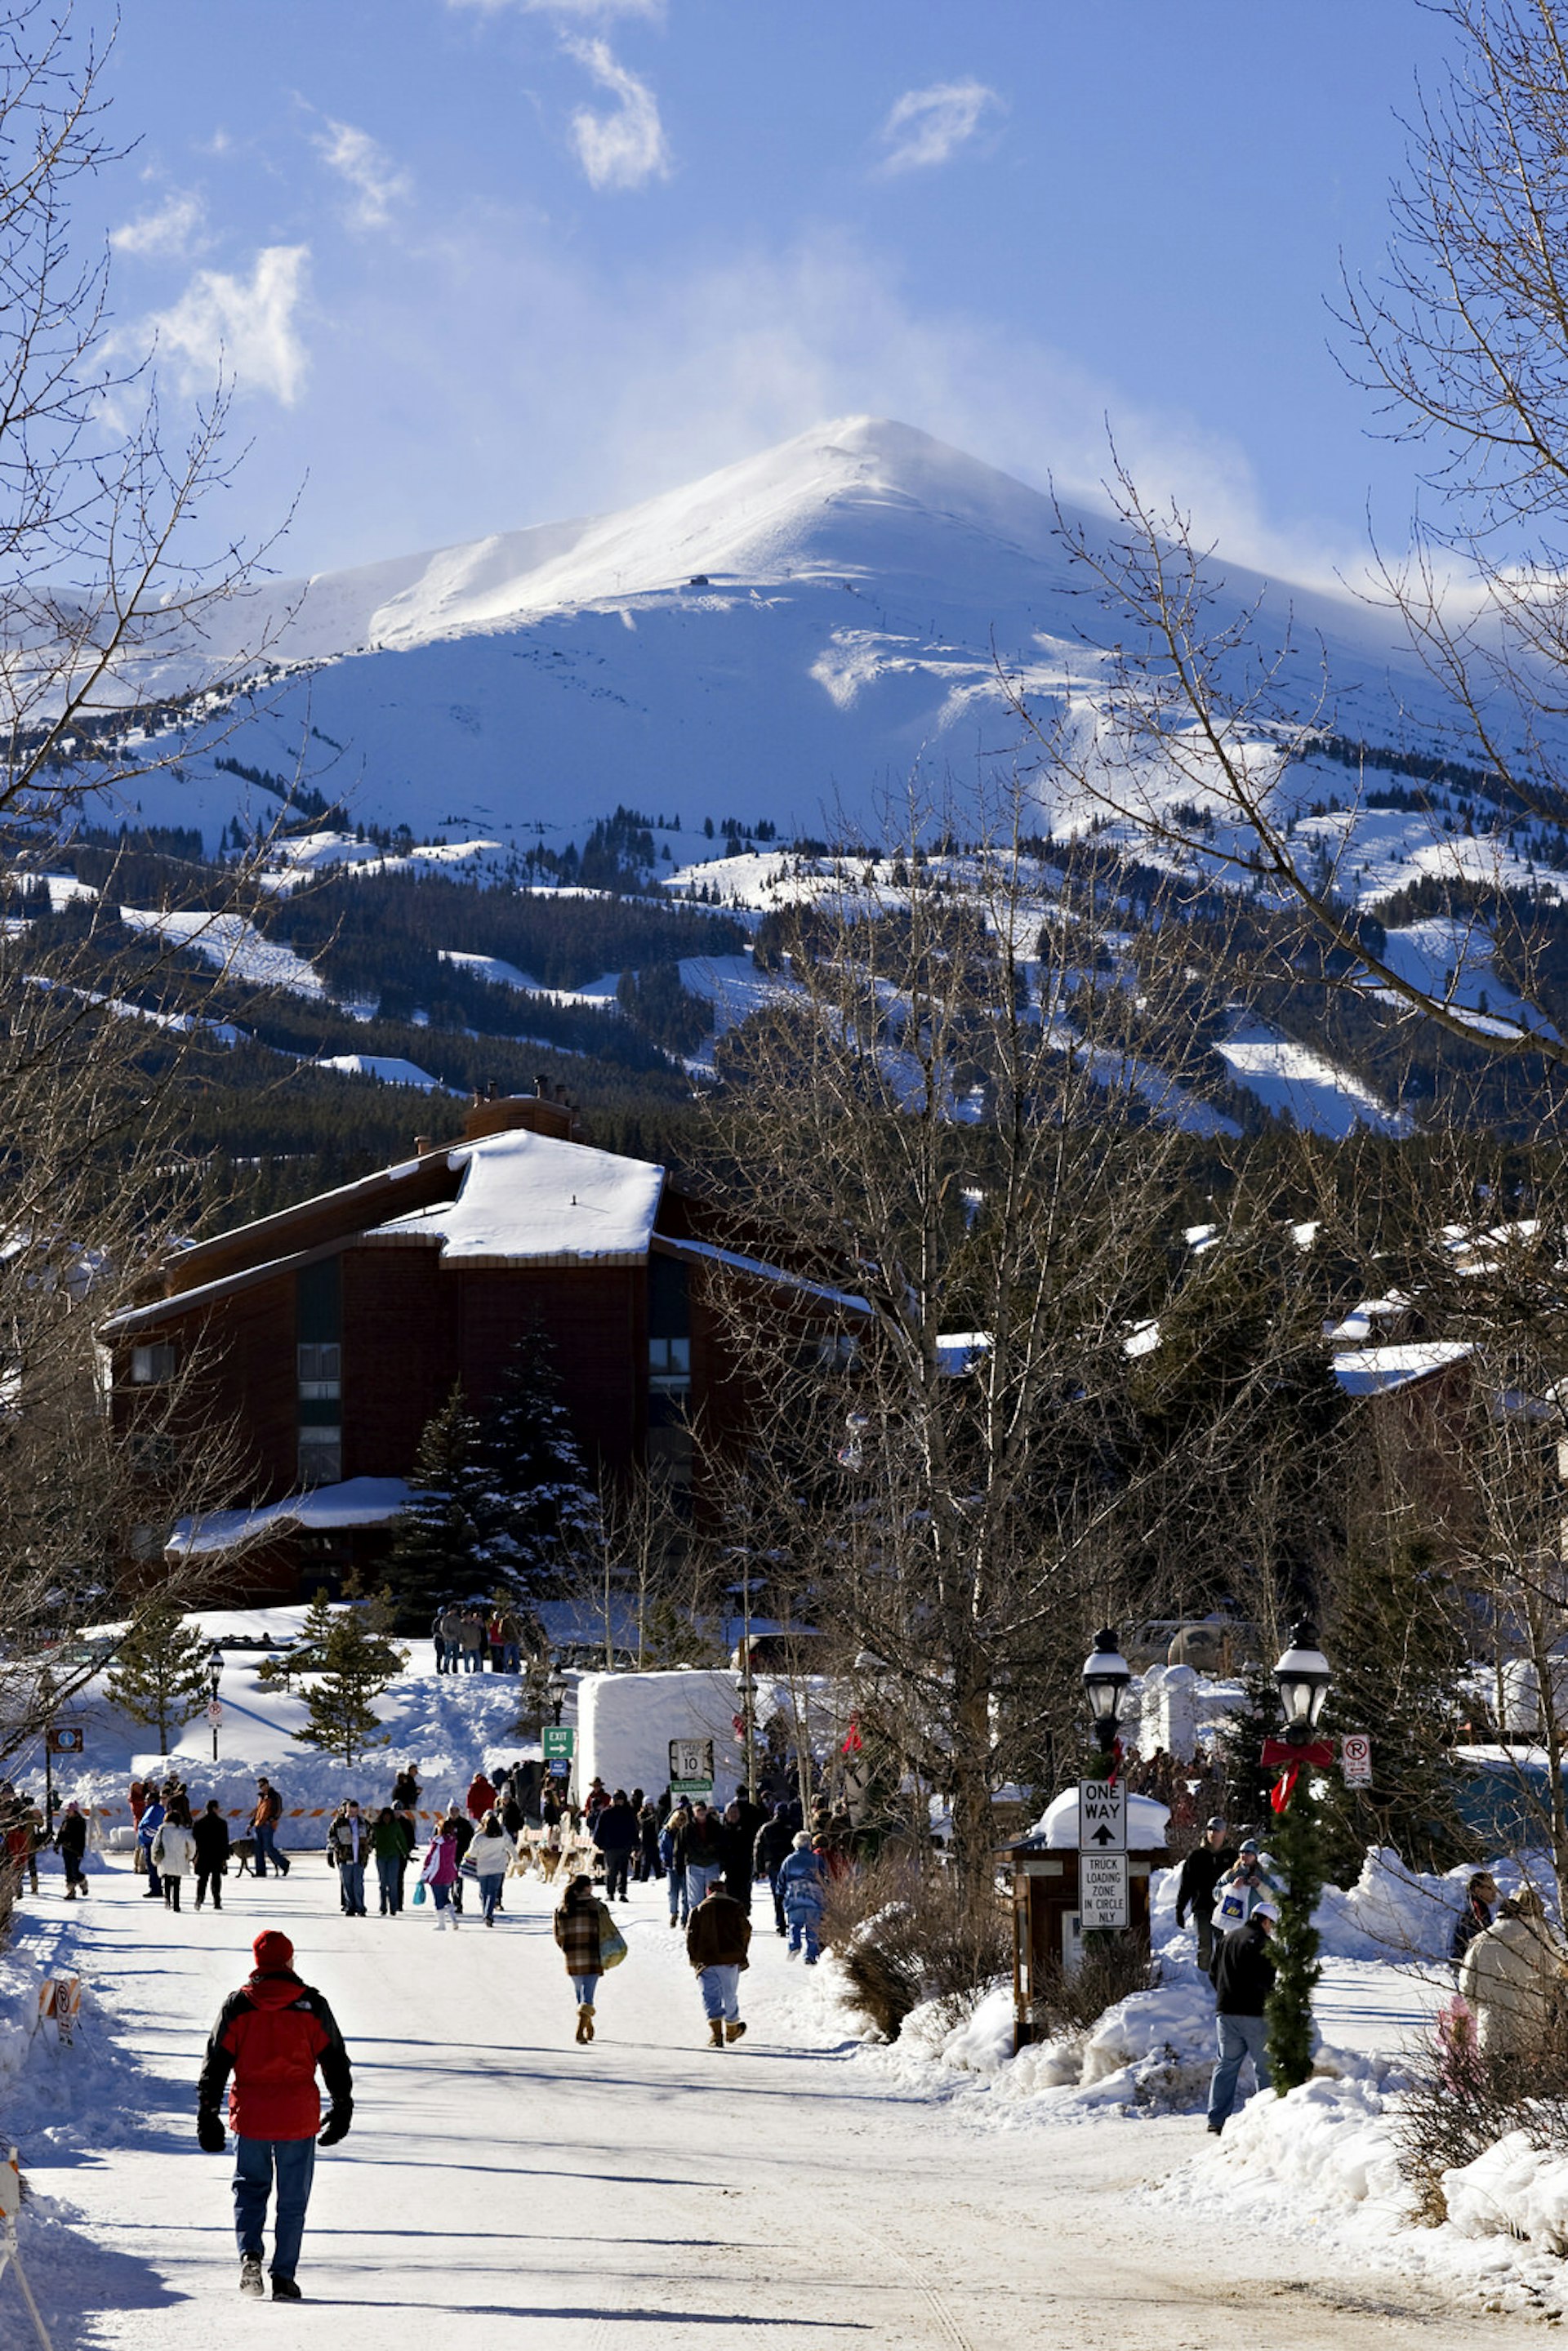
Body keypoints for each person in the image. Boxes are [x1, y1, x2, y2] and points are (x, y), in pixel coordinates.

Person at [197, 1928, 353, 2303]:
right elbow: (333, 2058)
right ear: (289, 1961)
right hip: (297, 2116)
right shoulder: (312, 2005)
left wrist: (208, 2111)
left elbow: (216, 2062)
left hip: (251, 2115)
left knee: (249, 2188)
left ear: (257, 1962)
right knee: (293, 2198)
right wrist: (342, 2105)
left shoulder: (239, 2005)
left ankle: (250, 2255)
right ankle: (284, 2276)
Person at [1459, 1888, 1567, 2056]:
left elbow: (1467, 1989)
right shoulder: (1542, 1942)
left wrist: (1484, 2015)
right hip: (1533, 2036)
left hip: (1493, 2036)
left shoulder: (1480, 1943)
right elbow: (1555, 1984)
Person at [1206, 1899, 1277, 2135]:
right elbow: (1268, 1980)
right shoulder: (1264, 1943)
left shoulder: (1227, 1938)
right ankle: (1266, 2118)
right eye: (1272, 1925)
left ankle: (1216, 2119)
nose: (1271, 1929)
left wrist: (1226, 1994)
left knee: (1226, 2065)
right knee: (1264, 2066)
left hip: (1225, 2012)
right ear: (1266, 1921)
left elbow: (1213, 1973)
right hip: (1255, 2013)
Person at [686, 1874, 752, 2046]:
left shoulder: (699, 1909)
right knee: (730, 1994)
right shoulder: (735, 1906)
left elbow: (691, 1936)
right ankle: (732, 2028)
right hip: (730, 1958)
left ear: (708, 1892)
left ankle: (716, 2035)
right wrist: (742, 1951)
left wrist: (694, 1958)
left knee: (709, 1996)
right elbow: (745, 1931)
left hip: (706, 1960)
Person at [554, 1870, 614, 2041]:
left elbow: (558, 1936)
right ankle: (580, 2031)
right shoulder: (597, 1907)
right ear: (588, 1888)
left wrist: (568, 1949)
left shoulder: (562, 1908)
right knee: (587, 1995)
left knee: (580, 1993)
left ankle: (587, 2023)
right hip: (593, 1954)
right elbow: (607, 1931)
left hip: (572, 1956)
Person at [1175, 1818, 1237, 1974]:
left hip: (1224, 1909)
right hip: (1202, 1907)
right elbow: (1186, 1885)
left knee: (1224, 1946)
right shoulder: (1196, 1856)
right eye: (1210, 1829)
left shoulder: (1232, 1856)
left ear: (1224, 1833)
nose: (1212, 1833)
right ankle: (1202, 1982)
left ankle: (1223, 1979)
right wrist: (1179, 1909)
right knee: (1205, 1947)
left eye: (1216, 1830)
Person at [778, 1831, 826, 1962]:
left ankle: (795, 1945)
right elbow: (824, 1876)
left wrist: (780, 1894)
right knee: (813, 1927)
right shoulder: (817, 1859)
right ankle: (810, 1954)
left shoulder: (789, 1860)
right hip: (813, 1897)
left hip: (795, 1897)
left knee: (795, 1924)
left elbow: (782, 1879)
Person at [676, 1798, 727, 1913]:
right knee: (695, 1899)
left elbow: (723, 1845)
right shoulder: (687, 1829)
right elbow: (679, 1848)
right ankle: (696, 1923)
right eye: (698, 1810)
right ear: (693, 1812)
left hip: (712, 1864)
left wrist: (723, 1862)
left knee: (713, 1897)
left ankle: (712, 1923)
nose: (701, 1812)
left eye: (703, 1809)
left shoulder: (716, 1826)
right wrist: (678, 1864)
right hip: (694, 1865)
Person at [755, 1806, 794, 1937]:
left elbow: (758, 1849)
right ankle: (793, 1921)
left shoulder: (767, 1828)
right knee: (791, 1893)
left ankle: (780, 1923)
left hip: (773, 1865)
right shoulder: (793, 1827)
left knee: (778, 1895)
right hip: (790, 1865)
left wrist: (759, 1869)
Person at [593, 1788, 638, 1902]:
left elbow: (634, 1830)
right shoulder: (625, 1813)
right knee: (616, 1870)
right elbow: (634, 1830)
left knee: (617, 1870)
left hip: (617, 1846)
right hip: (617, 1846)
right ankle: (614, 1892)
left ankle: (616, 1893)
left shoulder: (610, 1813)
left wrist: (600, 1844)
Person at [468, 1809, 511, 1925]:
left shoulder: (479, 1838)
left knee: (483, 1892)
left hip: (483, 1868)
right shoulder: (501, 1837)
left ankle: (485, 1913)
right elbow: (510, 1846)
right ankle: (488, 1914)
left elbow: (472, 1853)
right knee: (492, 1893)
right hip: (498, 1868)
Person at [1451, 1871, 1499, 1975]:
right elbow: (1478, 1945)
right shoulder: (1476, 1912)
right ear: (1478, 1891)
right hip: (1467, 1968)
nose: (1495, 1891)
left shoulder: (1479, 1908)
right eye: (1490, 1888)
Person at [327, 1801, 368, 1917]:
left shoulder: (363, 1823)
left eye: (355, 1811)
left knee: (358, 1884)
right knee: (347, 1884)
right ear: (347, 1809)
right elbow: (331, 1836)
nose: (353, 1813)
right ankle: (350, 1906)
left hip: (359, 1858)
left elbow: (371, 1837)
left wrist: (367, 1850)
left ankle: (360, 1907)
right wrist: (338, 1847)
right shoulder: (339, 1823)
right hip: (345, 1858)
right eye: (351, 1811)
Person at [153, 1802, 197, 1912]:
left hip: (165, 1860)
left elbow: (155, 1845)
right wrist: (189, 1856)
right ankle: (176, 1905)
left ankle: (167, 1901)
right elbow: (192, 1845)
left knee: (166, 1880)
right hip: (179, 1860)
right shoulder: (183, 1832)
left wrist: (155, 1858)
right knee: (177, 1883)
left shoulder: (162, 1831)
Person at [419, 1818, 460, 1929]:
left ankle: (441, 1924)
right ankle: (453, 1919)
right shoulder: (453, 1842)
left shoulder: (438, 1842)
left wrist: (424, 1875)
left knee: (438, 1899)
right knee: (445, 1897)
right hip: (449, 1874)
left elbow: (431, 1859)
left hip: (436, 1874)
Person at [372, 1806, 412, 1915]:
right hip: (381, 1856)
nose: (387, 1819)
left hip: (394, 1856)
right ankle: (383, 1906)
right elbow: (371, 1840)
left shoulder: (396, 1826)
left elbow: (401, 1840)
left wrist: (406, 1854)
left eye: (389, 1817)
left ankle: (394, 1907)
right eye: (385, 1817)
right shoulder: (376, 1827)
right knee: (383, 1882)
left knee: (393, 1882)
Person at [193, 1798, 231, 1911]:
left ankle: (199, 1899)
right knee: (216, 1879)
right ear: (214, 1809)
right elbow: (225, 1842)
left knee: (202, 1879)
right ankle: (217, 1901)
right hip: (217, 1855)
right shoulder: (222, 1823)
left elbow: (195, 1840)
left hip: (203, 1854)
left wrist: (195, 1855)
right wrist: (225, 1858)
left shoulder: (199, 1823)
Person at [251, 1779, 289, 1879]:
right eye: (260, 1786)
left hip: (268, 1825)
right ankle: (260, 1872)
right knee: (258, 1849)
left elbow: (278, 1810)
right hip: (259, 1825)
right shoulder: (261, 1797)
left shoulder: (274, 1796)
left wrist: (272, 1819)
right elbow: (258, 1812)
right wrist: (252, 1823)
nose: (261, 1788)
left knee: (268, 1847)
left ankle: (284, 1864)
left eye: (262, 1785)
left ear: (267, 1784)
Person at [662, 1802, 691, 1927]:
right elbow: (663, 1848)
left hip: (685, 1865)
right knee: (673, 1893)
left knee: (686, 1893)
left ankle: (685, 1918)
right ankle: (674, 1913)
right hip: (671, 1866)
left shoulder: (688, 1832)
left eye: (683, 1819)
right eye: (679, 1819)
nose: (681, 1822)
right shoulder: (667, 1833)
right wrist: (665, 1860)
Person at [55, 1801, 89, 1899]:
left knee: (75, 1871)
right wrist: (57, 1844)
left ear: (75, 1811)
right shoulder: (66, 1821)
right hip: (66, 1849)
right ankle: (71, 1891)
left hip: (76, 1850)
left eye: (69, 1810)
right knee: (68, 1871)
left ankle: (83, 1883)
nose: (68, 1812)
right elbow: (61, 1834)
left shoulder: (80, 1822)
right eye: (67, 1810)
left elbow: (81, 1838)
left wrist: (80, 1852)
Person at [137, 1788, 166, 1899]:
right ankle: (155, 1887)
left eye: (147, 1799)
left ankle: (156, 1888)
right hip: (149, 1842)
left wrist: (146, 1834)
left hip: (151, 1843)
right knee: (151, 1866)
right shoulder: (152, 1809)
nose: (145, 1801)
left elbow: (152, 1826)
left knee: (153, 1866)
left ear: (153, 1799)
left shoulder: (155, 1809)